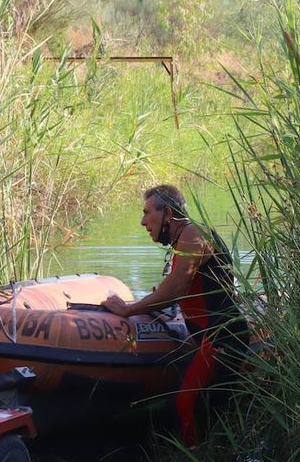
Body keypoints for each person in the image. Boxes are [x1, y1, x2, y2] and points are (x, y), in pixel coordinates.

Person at [100, 184, 249, 446]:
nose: (143, 221)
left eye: (147, 213)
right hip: (210, 338)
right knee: (208, 412)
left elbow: (176, 288)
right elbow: (185, 290)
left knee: (186, 405)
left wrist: (129, 309)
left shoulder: (193, 234)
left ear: (167, 213)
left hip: (223, 337)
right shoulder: (184, 239)